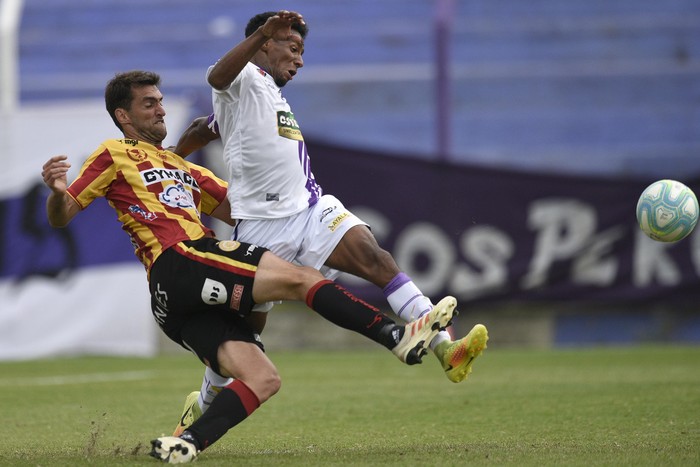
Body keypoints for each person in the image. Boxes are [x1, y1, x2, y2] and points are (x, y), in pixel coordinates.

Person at [41, 70, 461, 464]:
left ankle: (185, 442)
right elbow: (64, 214)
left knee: (264, 378)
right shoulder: (114, 154)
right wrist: (58, 192)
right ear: (123, 115)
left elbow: (247, 210)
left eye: (161, 101)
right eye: (149, 103)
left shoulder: (188, 170)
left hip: (176, 304)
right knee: (302, 280)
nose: (161, 109)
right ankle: (395, 336)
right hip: (180, 259)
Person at [171, 9, 489, 436]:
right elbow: (216, 80)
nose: (300, 60)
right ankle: (203, 403)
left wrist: (191, 142)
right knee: (245, 333)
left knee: (376, 258)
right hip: (262, 227)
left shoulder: (267, 94)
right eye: (292, 47)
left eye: (302, 51)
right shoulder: (241, 76)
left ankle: (445, 349)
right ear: (265, 42)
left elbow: (209, 126)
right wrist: (172, 157)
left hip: (310, 209)